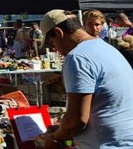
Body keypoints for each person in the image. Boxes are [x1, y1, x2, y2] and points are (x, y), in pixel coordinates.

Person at [35, 9, 133, 149]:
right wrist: (62, 129)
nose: (55, 49)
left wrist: (54, 138)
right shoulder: (107, 48)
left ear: (58, 33)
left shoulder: (77, 57)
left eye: (52, 44)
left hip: (108, 144)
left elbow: (77, 120)